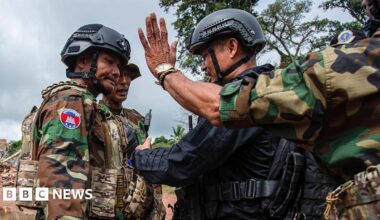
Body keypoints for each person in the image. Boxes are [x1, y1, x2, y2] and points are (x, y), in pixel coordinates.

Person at [137, 2, 380, 218]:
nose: (202, 65)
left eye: (204, 55)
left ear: (232, 47)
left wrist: (138, 157)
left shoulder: (247, 102)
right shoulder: (277, 91)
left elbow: (183, 162)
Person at [14, 24, 151, 219]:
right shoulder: (71, 100)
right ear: (84, 60)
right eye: (110, 62)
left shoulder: (85, 102)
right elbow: (61, 178)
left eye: (119, 67)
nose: (116, 72)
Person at [100, 63, 166, 219]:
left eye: (128, 76)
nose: (124, 81)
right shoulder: (95, 115)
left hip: (141, 204)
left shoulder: (136, 118)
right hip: (110, 205)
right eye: (120, 75)